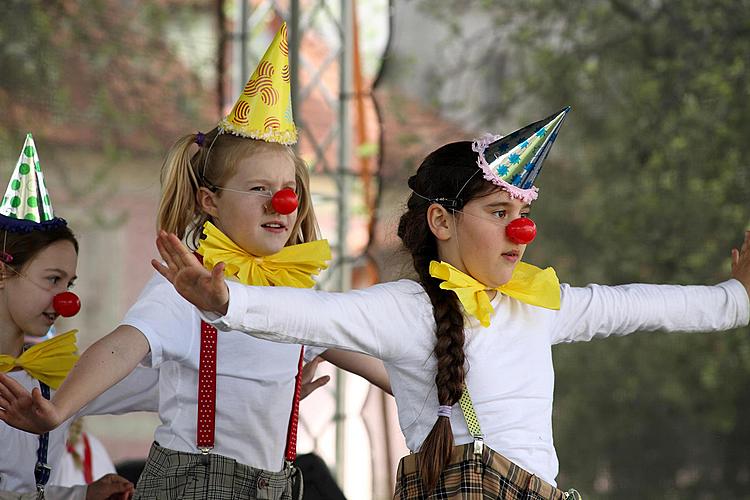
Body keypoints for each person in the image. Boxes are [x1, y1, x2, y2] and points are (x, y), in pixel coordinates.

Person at [151, 106, 745, 498]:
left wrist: (735, 299)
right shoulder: (407, 309)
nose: (521, 232)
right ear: (442, 219)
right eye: (498, 213)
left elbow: (639, 305)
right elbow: (314, 314)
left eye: (522, 215)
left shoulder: (537, 304)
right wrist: (225, 299)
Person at [0, 24, 389, 500]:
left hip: (279, 486)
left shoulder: (295, 296)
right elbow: (122, 347)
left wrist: (448, 401)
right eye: (258, 189)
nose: (281, 204)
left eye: (287, 190)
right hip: (195, 486)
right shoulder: (187, 283)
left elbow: (373, 360)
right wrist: (59, 410)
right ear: (210, 200)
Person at [0, 134, 158, 500]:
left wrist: (276, 381)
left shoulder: (53, 373)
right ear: (4, 272)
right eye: (52, 279)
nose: (68, 300)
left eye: (69, 282)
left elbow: (160, 387)